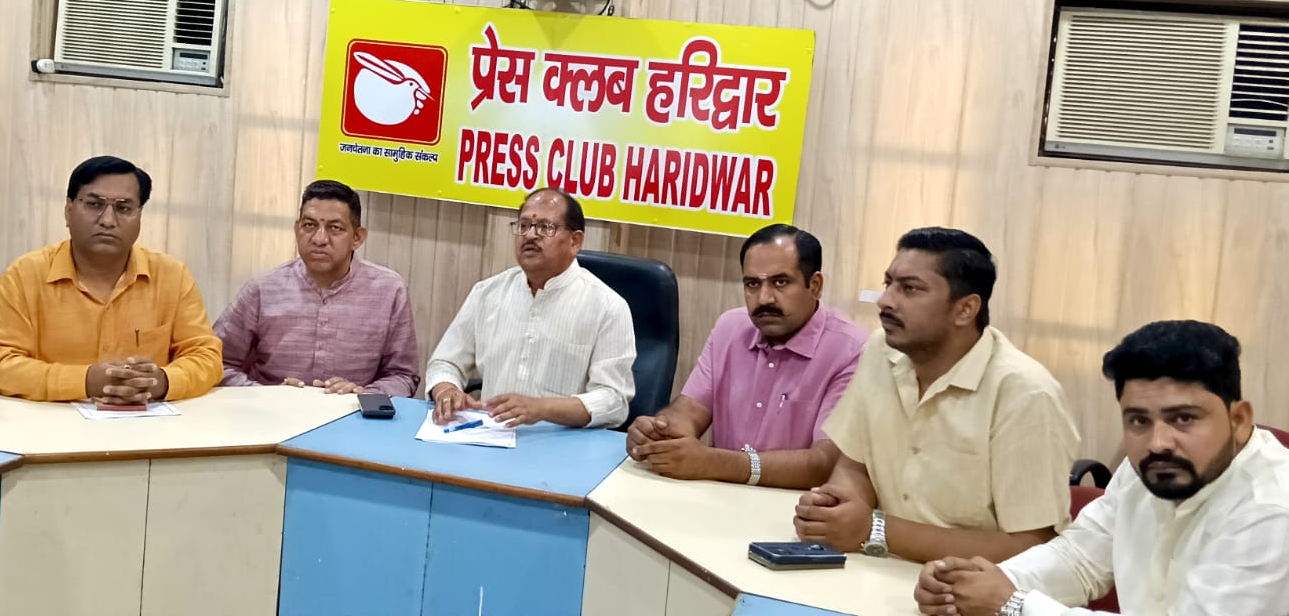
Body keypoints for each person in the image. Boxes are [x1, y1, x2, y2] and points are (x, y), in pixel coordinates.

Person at [914, 320, 1289, 616]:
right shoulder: (1150, 468)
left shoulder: (1272, 509)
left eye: (1183, 418)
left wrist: (1013, 604)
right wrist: (974, 583)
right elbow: (1080, 558)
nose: (1158, 442)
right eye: (1139, 420)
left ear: (1239, 420)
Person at [795, 227, 1079, 564]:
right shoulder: (880, 350)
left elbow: (1033, 546)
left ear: (965, 309)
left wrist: (875, 530)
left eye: (910, 289)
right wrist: (836, 508)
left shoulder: (1025, 394)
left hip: (963, 587)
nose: (885, 301)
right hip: (873, 567)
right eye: (889, 283)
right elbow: (855, 464)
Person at [626, 224, 866, 488]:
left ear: (815, 285)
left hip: (793, 504)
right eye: (752, 284)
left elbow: (824, 463)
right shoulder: (730, 327)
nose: (764, 298)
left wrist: (714, 463)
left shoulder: (851, 349)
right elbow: (691, 410)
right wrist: (659, 432)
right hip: (718, 494)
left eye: (780, 282)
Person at [0, 156, 222, 403]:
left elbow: (206, 356)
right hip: (52, 420)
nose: (108, 220)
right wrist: (84, 381)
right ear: (68, 210)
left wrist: (161, 381)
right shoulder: (25, 275)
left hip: (148, 420)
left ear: (140, 216)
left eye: (123, 208)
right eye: (94, 204)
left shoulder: (172, 276)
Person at [425, 188, 635, 428]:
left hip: (562, 440)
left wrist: (542, 409)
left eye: (545, 227)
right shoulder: (487, 293)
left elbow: (614, 400)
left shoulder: (608, 307)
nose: (530, 235)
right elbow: (445, 362)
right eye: (523, 226)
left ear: (575, 241)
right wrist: (447, 390)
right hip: (491, 435)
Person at [215, 180, 419, 396]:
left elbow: (403, 376)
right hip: (270, 412)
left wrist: (363, 395)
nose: (319, 239)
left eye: (335, 228)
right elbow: (215, 362)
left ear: (357, 238)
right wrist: (267, 395)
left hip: (355, 414)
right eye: (309, 226)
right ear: (297, 230)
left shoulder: (389, 290)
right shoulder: (263, 289)